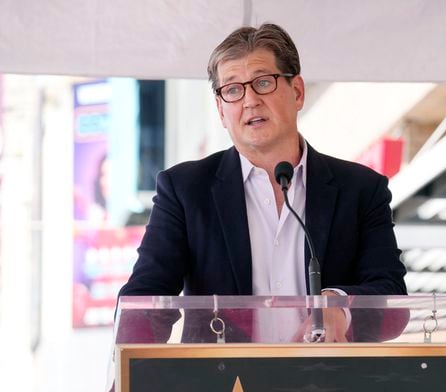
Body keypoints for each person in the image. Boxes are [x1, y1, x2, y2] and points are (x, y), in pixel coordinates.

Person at [118, 23, 406, 341]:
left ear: (297, 92)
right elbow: (145, 298)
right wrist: (131, 380)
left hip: (329, 384)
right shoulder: (185, 190)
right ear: (221, 110)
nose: (250, 100)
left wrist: (339, 308)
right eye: (232, 90)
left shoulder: (361, 189)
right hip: (222, 387)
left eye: (263, 82)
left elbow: (391, 298)